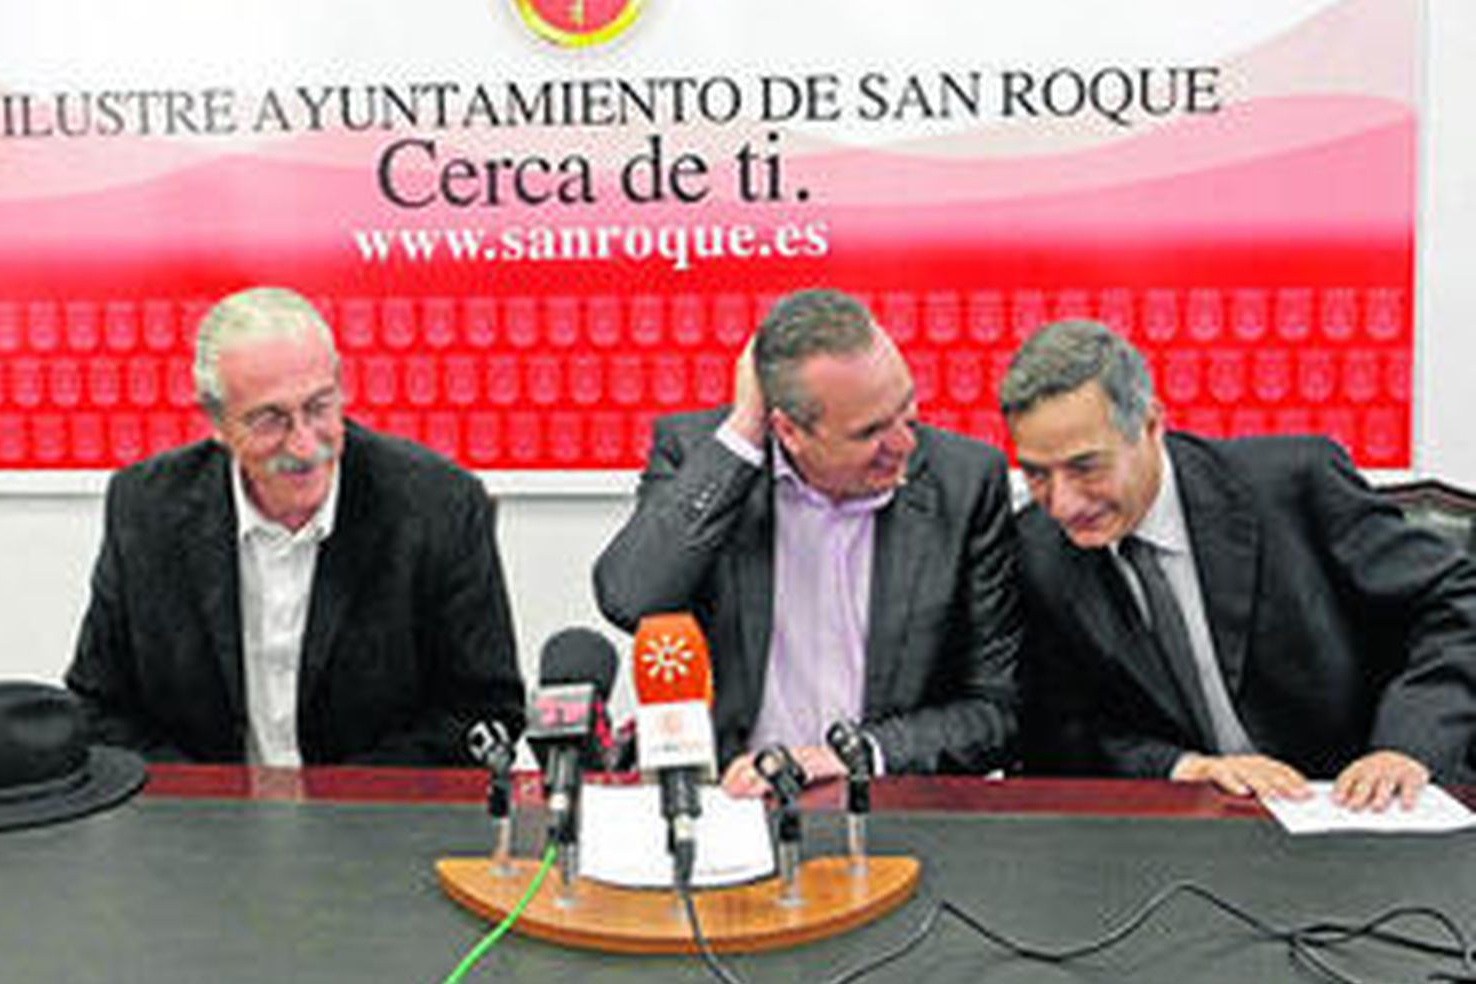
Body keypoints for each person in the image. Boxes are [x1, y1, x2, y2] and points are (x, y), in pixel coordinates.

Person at [1001, 318, 1476, 810]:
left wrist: (1407, 746)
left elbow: (1457, 604)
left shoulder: (1295, 485)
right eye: (1037, 474)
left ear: (1149, 425)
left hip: (1355, 803)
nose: (1063, 504)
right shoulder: (1039, 547)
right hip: (1189, 827)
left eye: (1085, 467)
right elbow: (1063, 727)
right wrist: (1186, 767)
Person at [66, 287, 524, 765]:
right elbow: (99, 710)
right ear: (216, 421)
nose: (305, 445)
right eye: (271, 420)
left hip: (378, 826)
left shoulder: (437, 506)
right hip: (201, 825)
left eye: (319, 407)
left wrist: (328, 814)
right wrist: (213, 807)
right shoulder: (147, 508)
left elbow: (484, 714)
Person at [593, 288, 1019, 794]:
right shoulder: (703, 455)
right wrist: (744, 433)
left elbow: (994, 710)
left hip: (888, 807)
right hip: (733, 801)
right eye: (870, 432)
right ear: (789, 431)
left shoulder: (965, 481)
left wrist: (853, 757)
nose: (904, 445)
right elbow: (630, 597)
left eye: (907, 410)